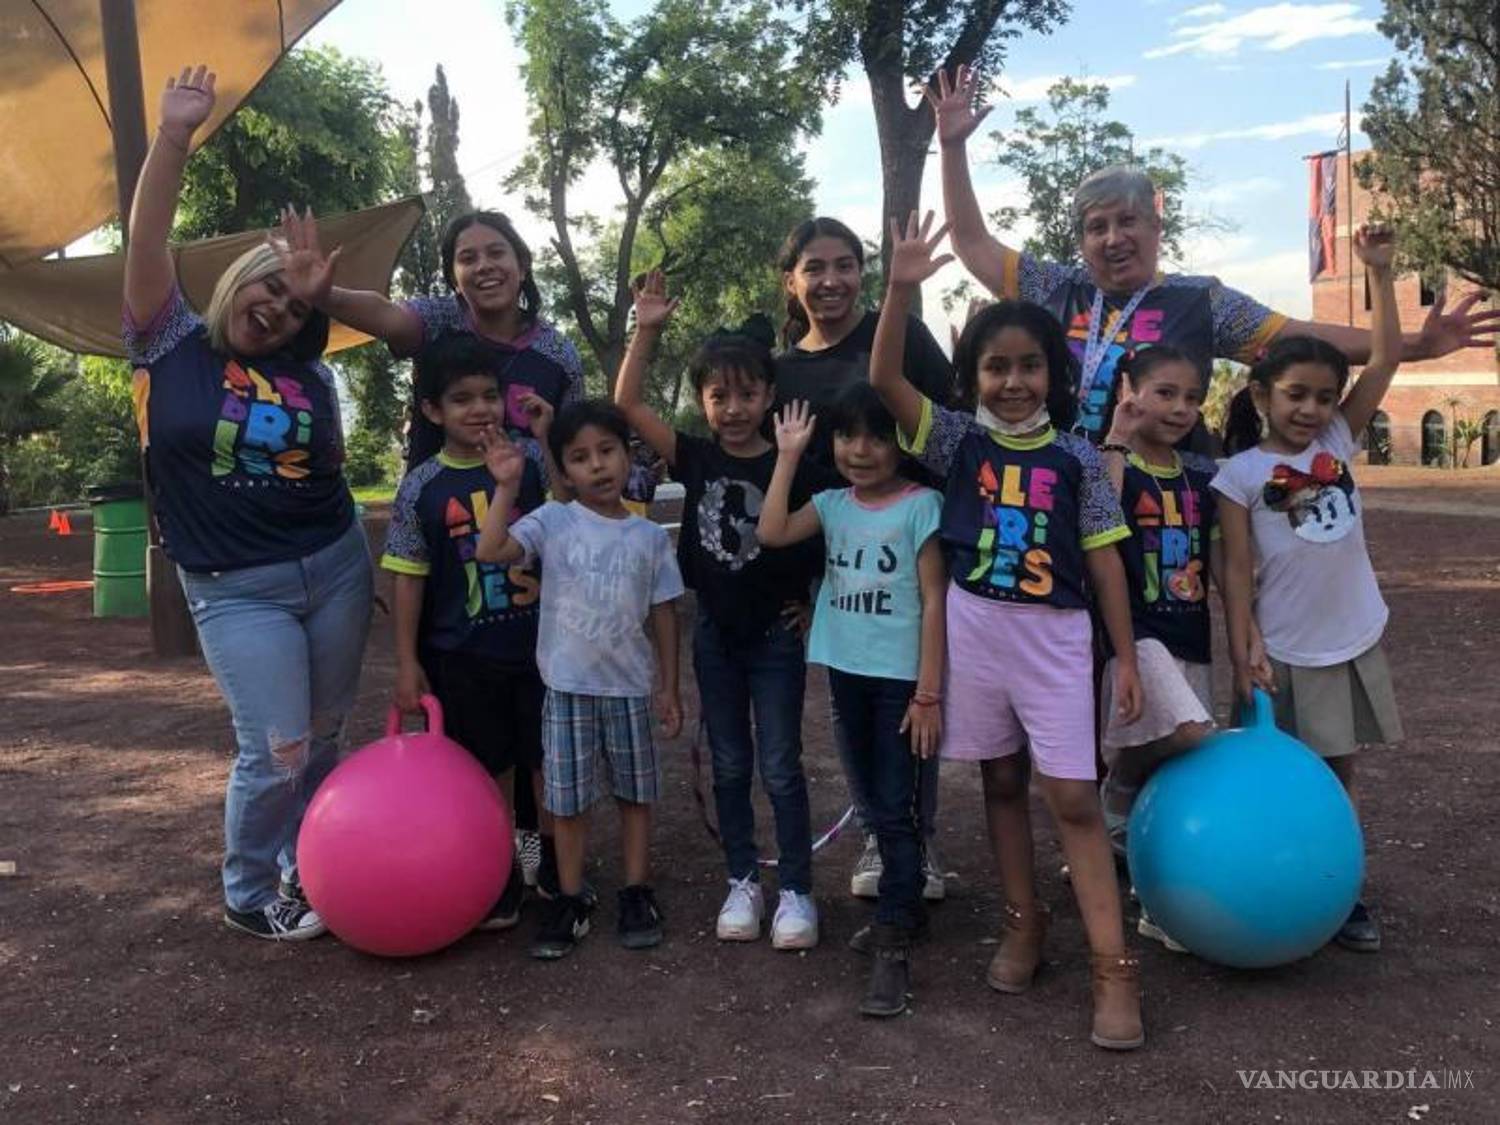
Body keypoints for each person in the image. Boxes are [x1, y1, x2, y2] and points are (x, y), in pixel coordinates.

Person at [869, 211, 1145, 1050]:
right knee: (996, 784)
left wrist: (1125, 656)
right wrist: (899, 285)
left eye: (1029, 366)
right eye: (996, 367)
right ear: (974, 374)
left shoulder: (1078, 458)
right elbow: (884, 378)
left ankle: (1113, 970)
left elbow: (1104, 565)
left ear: (1052, 374)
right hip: (975, 630)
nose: (1013, 381)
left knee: (1070, 795)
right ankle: (1025, 924)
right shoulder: (954, 441)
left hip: (1055, 638)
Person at [122, 66, 372, 941]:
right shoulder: (168, 342)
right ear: (235, 285)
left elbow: (329, 471)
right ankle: (247, 886)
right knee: (279, 745)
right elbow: (147, 241)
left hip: (335, 563)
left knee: (328, 729)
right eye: (263, 287)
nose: (270, 305)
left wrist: (319, 293)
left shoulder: (310, 374)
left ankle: (316, 866)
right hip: (236, 586)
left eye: (287, 297)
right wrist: (172, 139)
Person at [927, 66, 1500, 444]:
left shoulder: (1200, 301)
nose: (1112, 239)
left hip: (1163, 499)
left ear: (1156, 226)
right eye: (1096, 227)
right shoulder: (1056, 288)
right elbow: (973, 244)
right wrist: (952, 147)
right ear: (1081, 239)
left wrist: (1419, 346)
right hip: (1058, 486)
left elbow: (1303, 338)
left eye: (1127, 222)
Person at [279, 206, 589, 891]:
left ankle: (543, 854)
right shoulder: (442, 327)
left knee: (543, 737)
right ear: (453, 278)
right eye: (467, 256)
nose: (485, 265)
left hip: (536, 582)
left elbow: (575, 447)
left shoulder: (558, 352)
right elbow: (387, 317)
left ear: (523, 261)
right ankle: (489, 853)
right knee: (479, 741)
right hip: (452, 566)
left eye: (497, 251)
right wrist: (324, 294)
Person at [614, 272, 829, 948]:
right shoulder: (695, 454)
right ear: (702, 401)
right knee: (731, 763)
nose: (733, 407)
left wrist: (815, 606)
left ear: (769, 395)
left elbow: (830, 536)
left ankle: (796, 888)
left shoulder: (796, 460)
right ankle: (743, 877)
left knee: (781, 765)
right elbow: (625, 403)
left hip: (775, 636)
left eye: (746, 393)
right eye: (718, 395)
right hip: (716, 634)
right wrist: (646, 331)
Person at [1213, 223, 1405, 954]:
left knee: (1338, 769)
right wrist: (1242, 648)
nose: (1312, 409)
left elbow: (1384, 359)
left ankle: (1340, 884)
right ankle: (1274, 882)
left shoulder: (1336, 444)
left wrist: (1381, 276)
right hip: (1282, 646)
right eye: (1296, 395)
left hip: (1347, 633)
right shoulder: (1237, 476)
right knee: (1278, 772)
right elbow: (1235, 572)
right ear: (1262, 393)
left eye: (1325, 397)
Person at [774, 216, 954, 900]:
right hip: (837, 568)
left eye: (845, 264)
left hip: (913, 550)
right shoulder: (783, 369)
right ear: (791, 281)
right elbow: (779, 477)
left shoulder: (898, 333)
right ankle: (881, 836)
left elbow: (947, 423)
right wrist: (803, 585)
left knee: (914, 703)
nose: (830, 280)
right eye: (814, 267)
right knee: (851, 707)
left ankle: (920, 837)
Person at [757, 388, 945, 1018]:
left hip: (900, 682)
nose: (860, 451)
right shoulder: (834, 503)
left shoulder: (923, 506)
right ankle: (908, 902)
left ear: (901, 445)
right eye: (847, 437)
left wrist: (928, 692)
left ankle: (894, 929)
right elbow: (773, 530)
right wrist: (787, 456)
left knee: (894, 805)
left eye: (877, 437)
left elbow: (935, 601)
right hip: (846, 672)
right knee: (869, 799)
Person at [475, 401, 684, 960]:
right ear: (564, 471)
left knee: (636, 795)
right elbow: (491, 549)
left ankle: (637, 892)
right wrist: (505, 486)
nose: (597, 466)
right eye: (580, 458)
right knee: (565, 802)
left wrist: (669, 687)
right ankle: (569, 898)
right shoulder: (554, 520)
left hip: (630, 688)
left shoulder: (649, 538)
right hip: (566, 688)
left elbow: (665, 613)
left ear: (628, 454)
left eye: (607, 451)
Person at [380, 335, 556, 932]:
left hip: (542, 647)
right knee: (489, 767)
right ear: (433, 411)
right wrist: (406, 661)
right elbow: (408, 578)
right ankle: (500, 867)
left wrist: (549, 438)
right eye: (461, 400)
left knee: (547, 761)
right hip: (463, 654)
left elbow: (577, 506)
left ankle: (557, 864)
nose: (480, 410)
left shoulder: (531, 462)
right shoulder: (421, 487)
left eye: (489, 396)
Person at [1094, 346, 1226, 951]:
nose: (1181, 408)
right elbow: (1100, 519)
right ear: (1133, 390)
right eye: (1165, 393)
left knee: (1176, 773)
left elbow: (1225, 561)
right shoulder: (1111, 461)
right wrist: (1118, 436)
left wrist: (1245, 638)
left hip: (1191, 635)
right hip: (1135, 637)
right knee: (1192, 734)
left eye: (1193, 397)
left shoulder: (1201, 474)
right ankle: (1116, 787)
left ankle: (1155, 896)